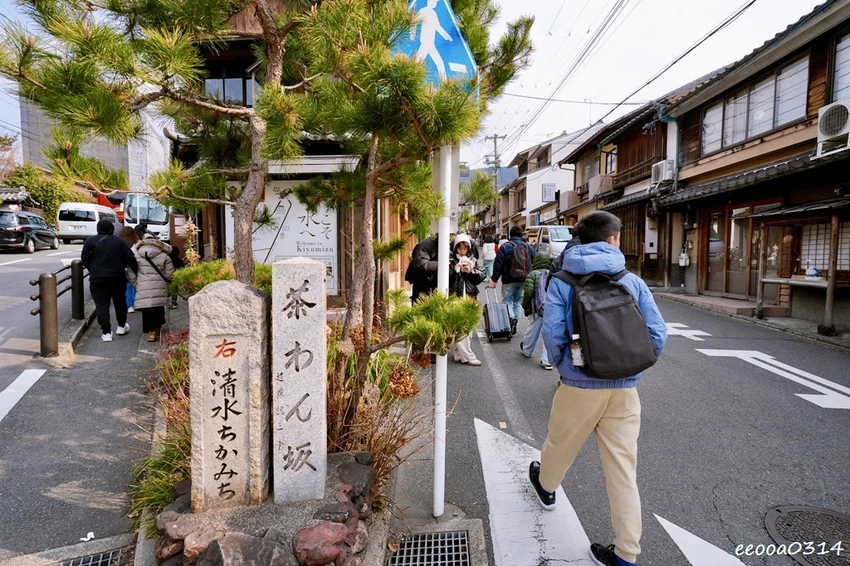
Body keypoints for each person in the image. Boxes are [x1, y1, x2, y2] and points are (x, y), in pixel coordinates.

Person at [530, 211, 667, 566]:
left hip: (578, 385)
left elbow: (553, 333)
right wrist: (630, 369)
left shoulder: (562, 280)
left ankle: (546, 489)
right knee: (623, 470)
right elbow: (657, 334)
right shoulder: (631, 280)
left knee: (560, 444)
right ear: (612, 240)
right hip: (625, 389)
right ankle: (626, 555)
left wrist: (569, 369)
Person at [81, 219, 139, 342]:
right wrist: (137, 271)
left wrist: (93, 269)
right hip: (117, 277)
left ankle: (106, 333)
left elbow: (84, 259)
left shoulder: (90, 241)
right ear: (112, 229)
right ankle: (121, 326)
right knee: (120, 302)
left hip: (97, 278)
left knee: (102, 305)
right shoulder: (120, 242)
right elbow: (130, 257)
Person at [488, 225, 535, 335]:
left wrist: (494, 279)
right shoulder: (528, 246)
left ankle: (511, 319)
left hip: (508, 279)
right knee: (517, 302)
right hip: (524, 278)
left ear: (511, 235)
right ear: (521, 234)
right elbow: (535, 258)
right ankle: (516, 323)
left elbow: (498, 264)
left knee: (507, 301)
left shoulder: (505, 247)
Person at [130, 235, 175, 343]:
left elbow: (131, 272)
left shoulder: (136, 256)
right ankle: (157, 327)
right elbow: (170, 273)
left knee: (147, 309)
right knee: (158, 306)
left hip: (142, 284)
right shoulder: (164, 256)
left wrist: (136, 283)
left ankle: (151, 331)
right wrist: (166, 283)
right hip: (160, 284)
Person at [449, 234, 484, 366]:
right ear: (455, 248)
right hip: (455, 297)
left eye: (465, 248)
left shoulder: (473, 260)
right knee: (461, 327)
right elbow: (446, 279)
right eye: (459, 248)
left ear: (469, 248)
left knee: (468, 327)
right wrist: (456, 270)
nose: (462, 251)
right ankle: (467, 356)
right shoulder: (451, 261)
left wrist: (471, 271)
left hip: (470, 296)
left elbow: (482, 275)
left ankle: (458, 354)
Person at [520, 250, 552, 370]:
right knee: (548, 332)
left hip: (536, 307)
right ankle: (547, 360)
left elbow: (528, 292)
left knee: (533, 328)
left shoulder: (533, 274)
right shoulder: (551, 273)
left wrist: (525, 305)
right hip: (550, 306)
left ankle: (527, 350)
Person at [408, 235, 440, 303]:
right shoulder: (424, 246)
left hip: (437, 289)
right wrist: (442, 265)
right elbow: (421, 265)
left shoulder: (448, 247)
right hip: (424, 288)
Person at [118, 227, 139, 313]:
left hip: (124, 268)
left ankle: (129, 306)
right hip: (135, 267)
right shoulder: (137, 244)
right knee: (136, 285)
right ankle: (137, 303)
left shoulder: (120, 243)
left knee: (127, 287)